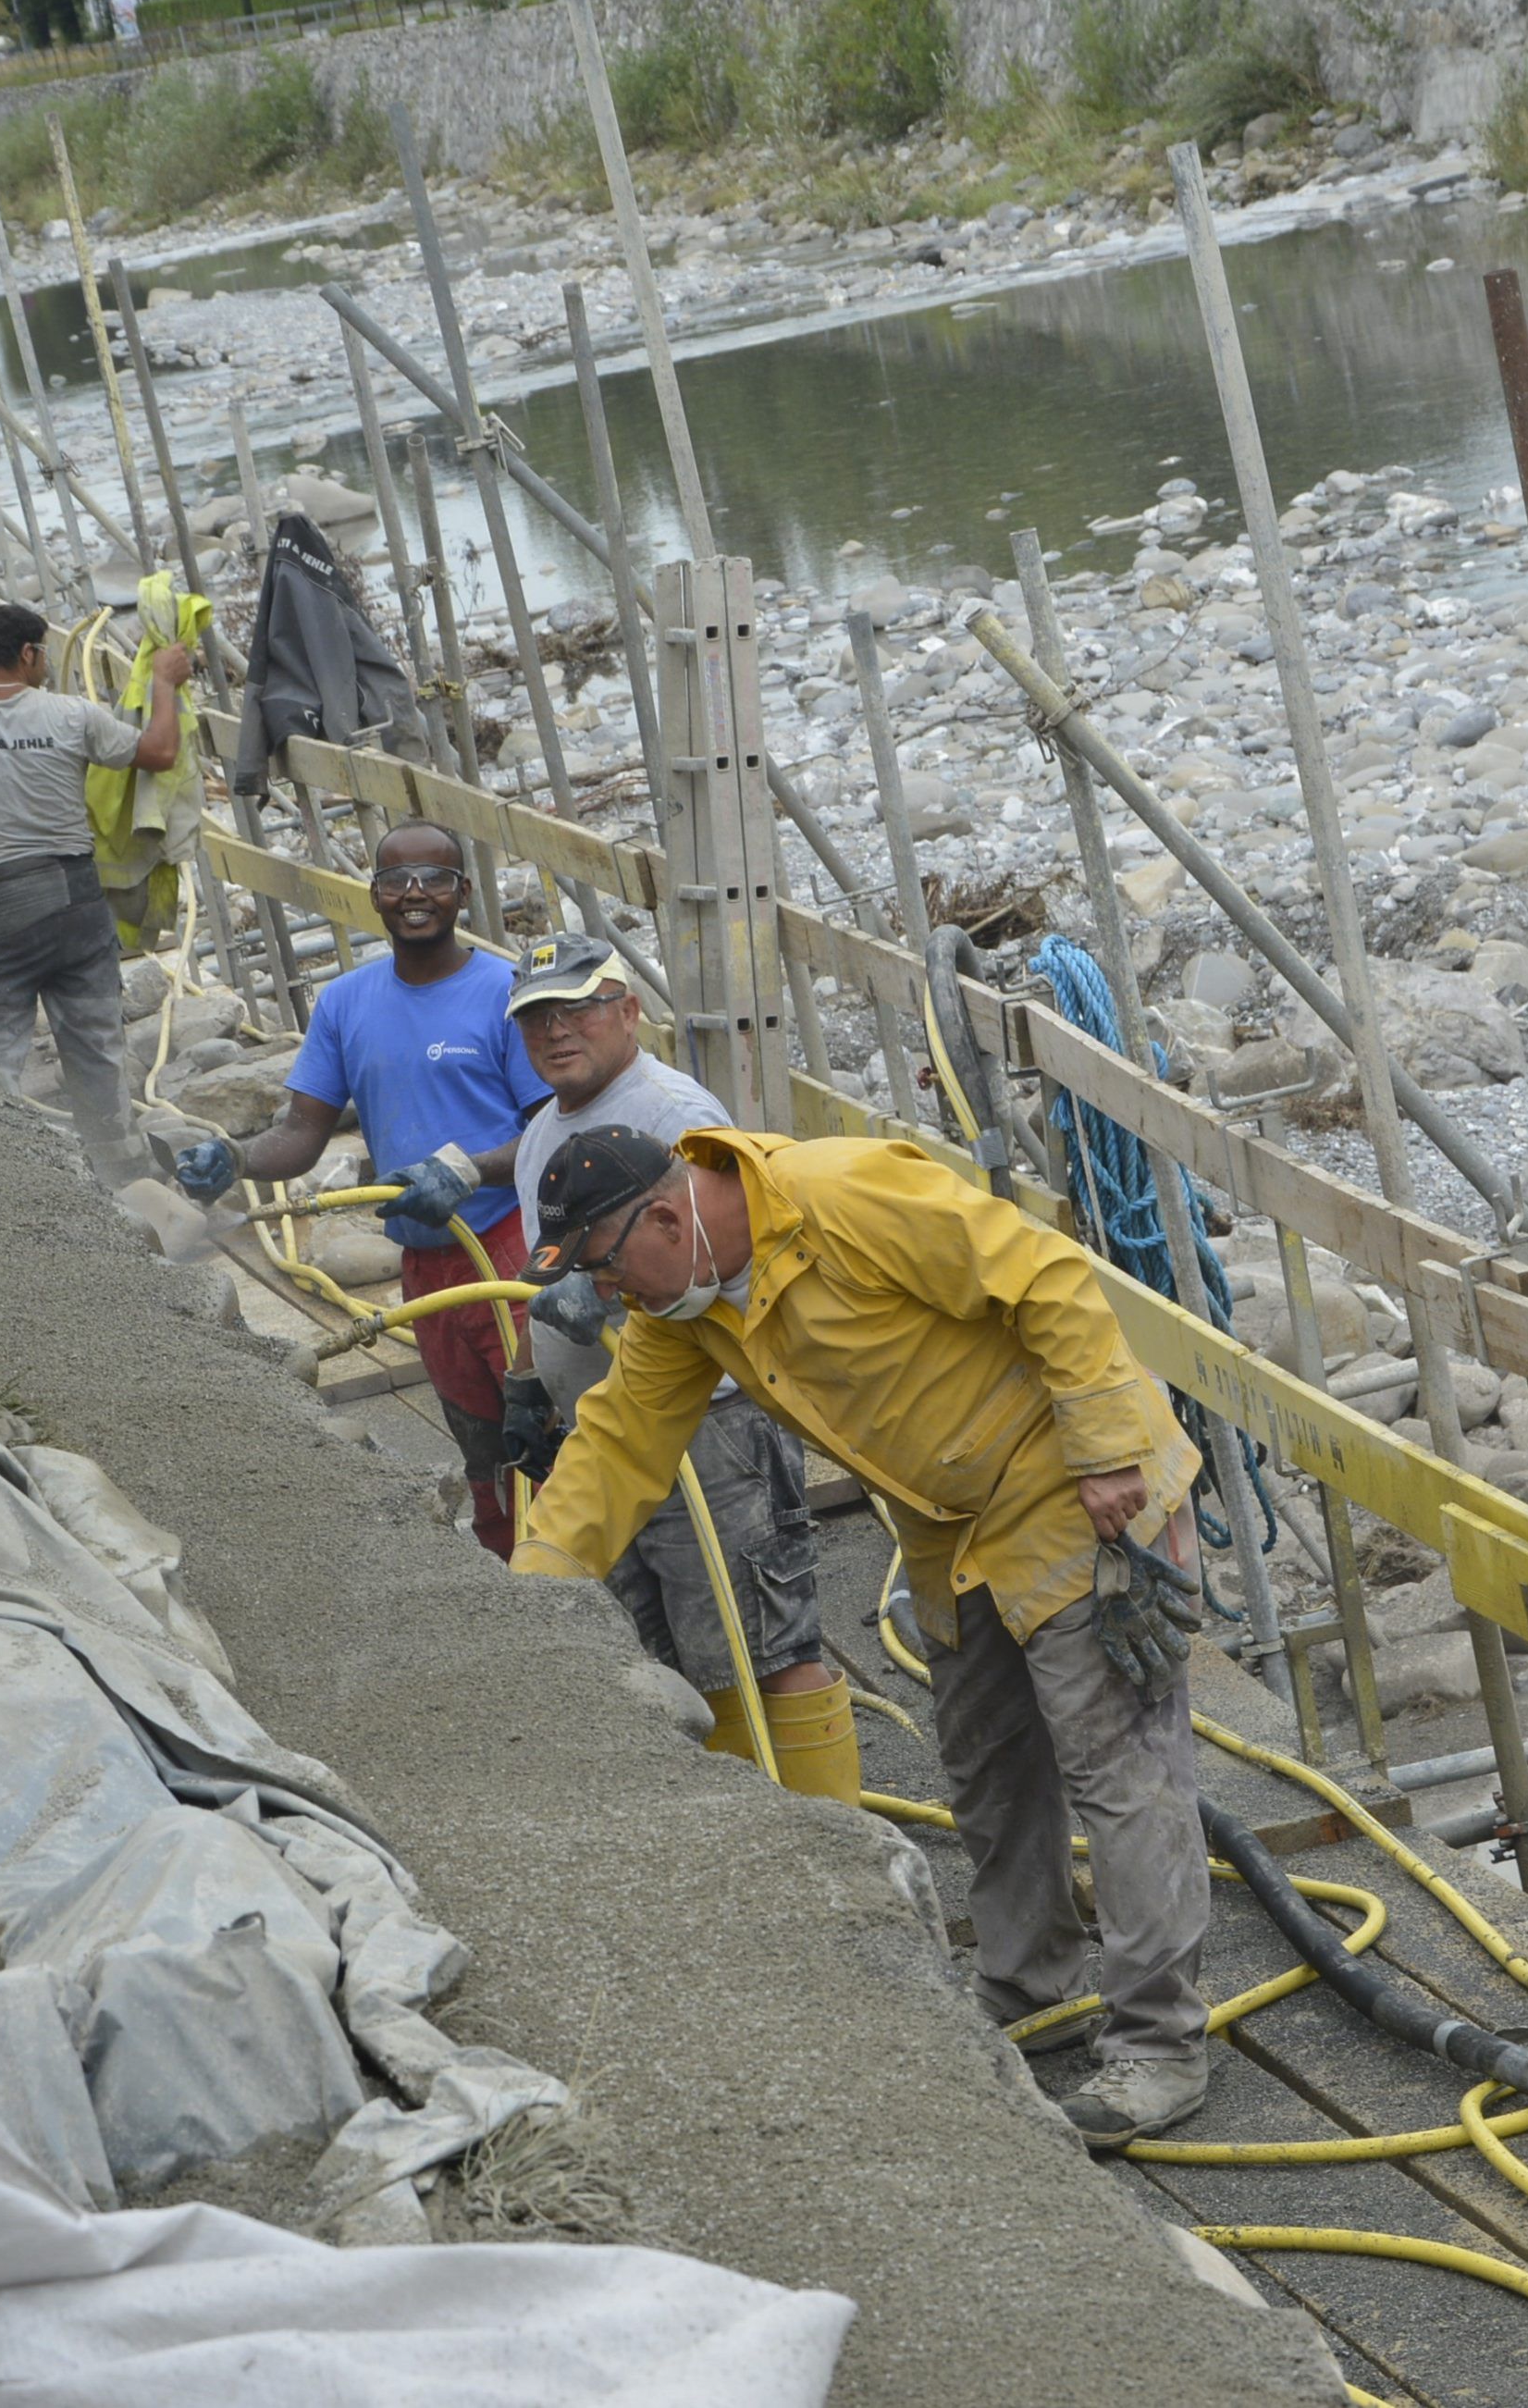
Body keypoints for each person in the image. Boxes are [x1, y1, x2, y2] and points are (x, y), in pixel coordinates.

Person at [511, 1124, 1215, 2148]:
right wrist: (527, 1606)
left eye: (608, 1267)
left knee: (1118, 1769)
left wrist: (1108, 1447)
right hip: (948, 1520)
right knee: (985, 1760)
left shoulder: (840, 1196)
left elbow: (1048, 1279)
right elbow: (615, 1448)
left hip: (1072, 1488)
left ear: (666, 1217)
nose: (608, 1297)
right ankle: (1031, 1984)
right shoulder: (689, 1312)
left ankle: (1158, 2047)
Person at [499, 935, 856, 1803]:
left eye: (578, 1007)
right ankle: (741, 1823)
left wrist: (612, 1299)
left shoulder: (672, 1111)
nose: (556, 1031)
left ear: (627, 1009)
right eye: (537, 1017)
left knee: (760, 1649)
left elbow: (722, 1259)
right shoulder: (543, 1131)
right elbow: (537, 1269)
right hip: (611, 1426)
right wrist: (526, 1380)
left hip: (711, 1428)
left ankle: (834, 1837)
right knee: (666, 1655)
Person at [172, 821, 547, 1555]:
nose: (415, 895)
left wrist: (469, 1170)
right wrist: (236, 1156)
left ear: (463, 893)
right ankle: (516, 1581)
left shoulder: (505, 993)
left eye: (434, 878)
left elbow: (550, 1130)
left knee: (545, 1431)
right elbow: (303, 1132)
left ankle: (590, 1579)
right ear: (373, 894)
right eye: (396, 880)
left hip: (506, 1250)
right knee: (481, 1448)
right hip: (423, 1263)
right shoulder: (346, 1003)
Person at [0, 604, 190, 1183]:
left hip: (1, 904)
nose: (47, 663)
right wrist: (163, 682)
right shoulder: (72, 715)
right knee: (95, 1040)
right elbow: (160, 752)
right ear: (27, 654)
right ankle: (121, 1168)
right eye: (45, 652)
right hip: (76, 897)